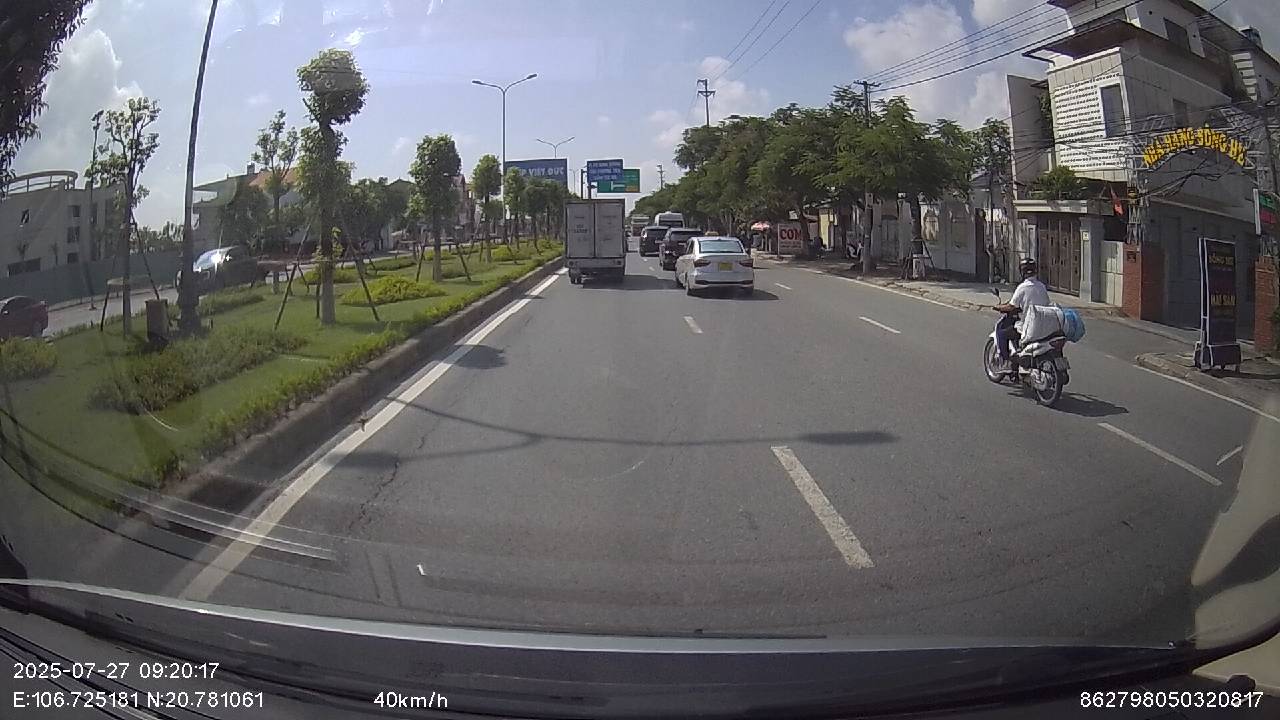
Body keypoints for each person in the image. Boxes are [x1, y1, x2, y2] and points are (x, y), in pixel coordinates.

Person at [992, 257, 1050, 361]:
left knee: (1001, 333)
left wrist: (998, 307)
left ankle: (1006, 361)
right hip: (1043, 325)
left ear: (1022, 272)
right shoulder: (1042, 286)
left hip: (1028, 327)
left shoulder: (1023, 287)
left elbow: (1011, 306)